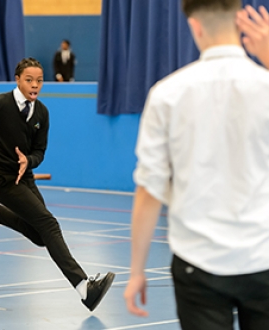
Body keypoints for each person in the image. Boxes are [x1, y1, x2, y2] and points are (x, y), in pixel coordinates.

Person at [124, 1, 269, 329]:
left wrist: (136, 271)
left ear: (195, 26)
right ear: (239, 20)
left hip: (197, 263)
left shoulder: (166, 94)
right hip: (264, 257)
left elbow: (149, 190)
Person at [0, 57, 114, 312]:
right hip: (0, 181)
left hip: (24, 178)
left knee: (40, 236)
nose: (35, 84)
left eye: (39, 80)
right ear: (17, 80)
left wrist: (30, 160)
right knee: (49, 223)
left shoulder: (42, 112)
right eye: (29, 80)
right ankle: (84, 288)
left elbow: (40, 151)